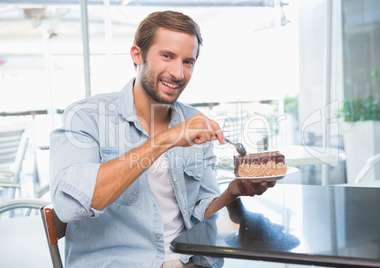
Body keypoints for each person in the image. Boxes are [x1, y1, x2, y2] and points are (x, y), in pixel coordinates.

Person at [49, 10, 275, 268]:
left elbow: (201, 217)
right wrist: (165, 140)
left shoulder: (193, 120)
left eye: (188, 62)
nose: (178, 73)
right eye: (167, 56)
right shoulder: (87, 117)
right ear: (138, 55)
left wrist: (233, 192)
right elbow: (69, 206)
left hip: (190, 261)